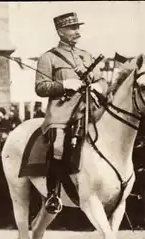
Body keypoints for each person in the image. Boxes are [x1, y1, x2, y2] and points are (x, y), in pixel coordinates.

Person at [35, 12, 108, 214]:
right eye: (72, 28)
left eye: (78, 27)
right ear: (60, 32)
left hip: (90, 108)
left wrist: (98, 87)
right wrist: (64, 85)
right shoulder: (48, 58)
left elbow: (102, 80)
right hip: (62, 112)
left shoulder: (86, 55)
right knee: (58, 145)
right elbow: (40, 88)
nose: (77, 32)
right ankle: (53, 194)